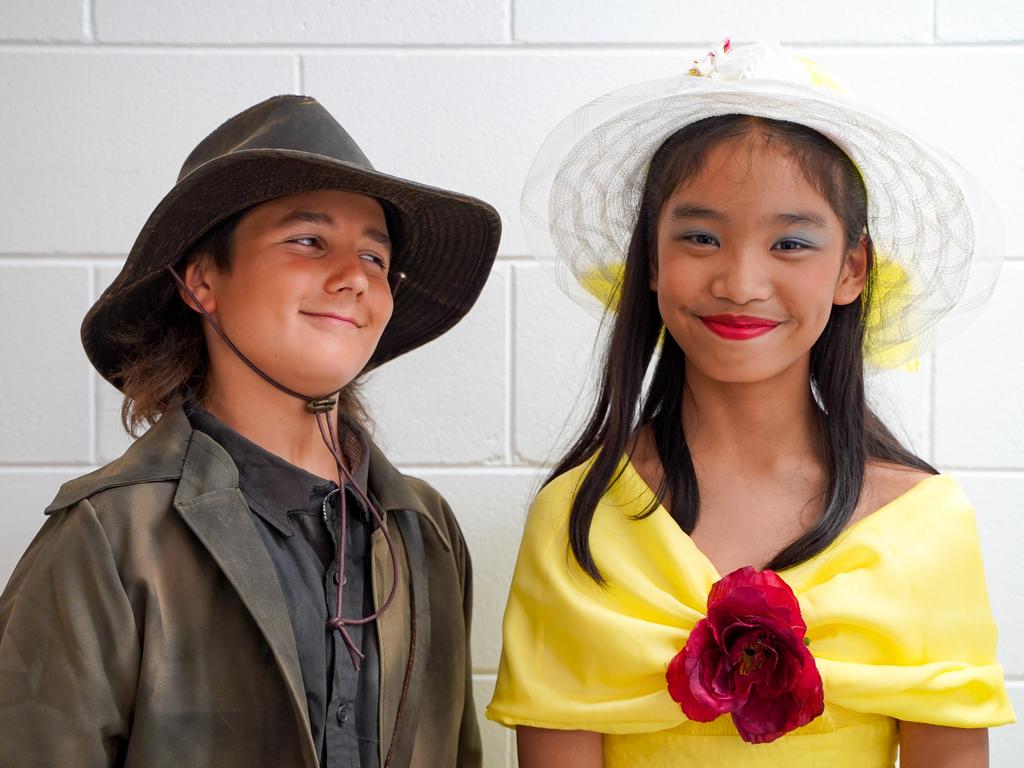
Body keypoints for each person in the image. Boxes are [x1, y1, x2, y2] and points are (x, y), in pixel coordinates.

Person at [487, 41, 1015, 767]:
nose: (740, 281)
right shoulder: (576, 517)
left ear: (852, 269)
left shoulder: (924, 525)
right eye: (701, 237)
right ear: (650, 259)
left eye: (791, 242)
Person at [0, 94, 501, 768]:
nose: (355, 276)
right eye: (308, 240)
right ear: (202, 279)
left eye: (377, 258)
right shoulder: (108, 535)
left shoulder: (424, 529)